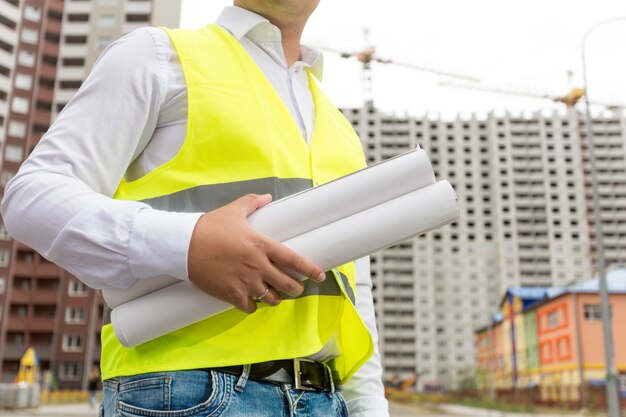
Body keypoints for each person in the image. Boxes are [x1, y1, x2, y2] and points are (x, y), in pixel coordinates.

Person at [2, 1, 389, 416]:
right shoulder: (156, 56)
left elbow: (354, 291)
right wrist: (188, 245)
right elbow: (31, 196)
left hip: (326, 399)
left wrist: (369, 406)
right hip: (186, 392)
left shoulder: (340, 129)